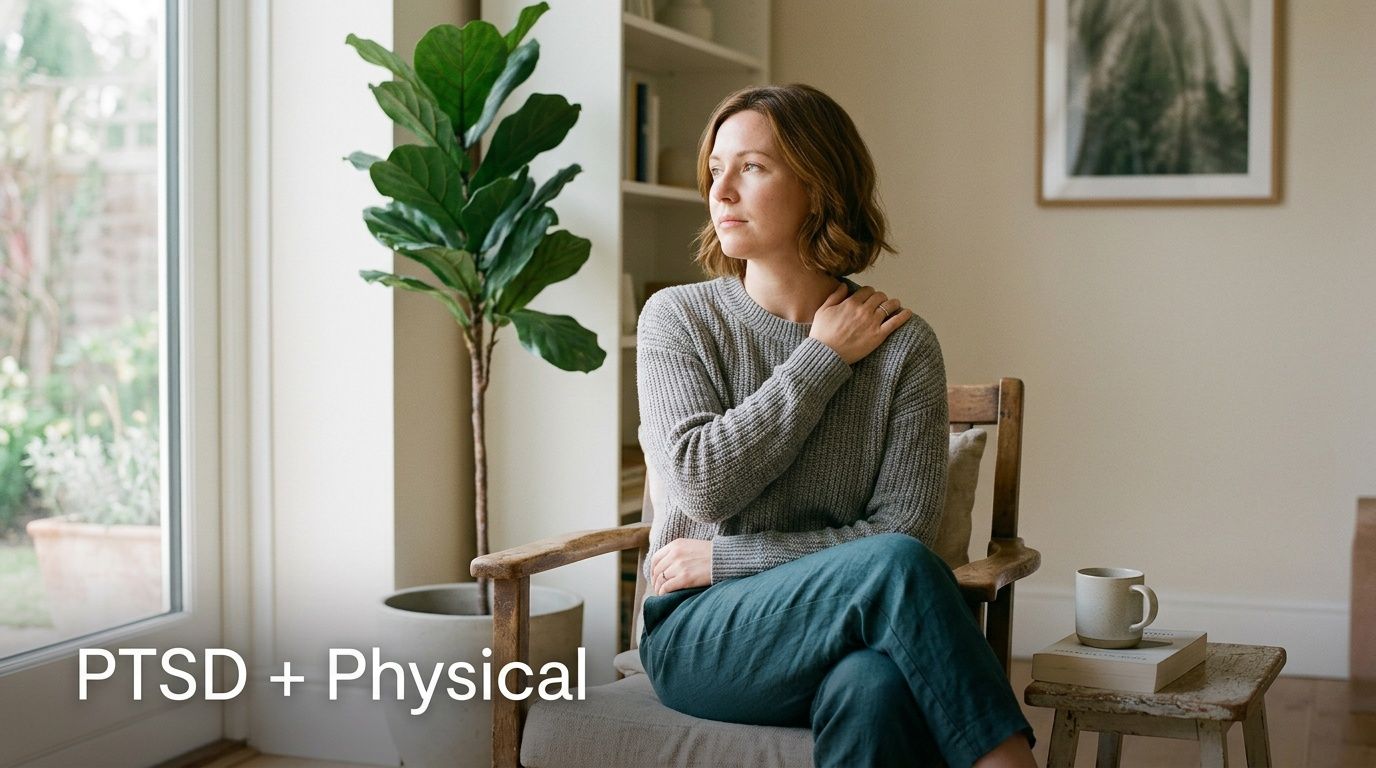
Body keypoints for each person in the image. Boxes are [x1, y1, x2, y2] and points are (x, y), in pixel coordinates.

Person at [634, 83, 1038, 768]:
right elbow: (703, 486)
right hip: (700, 635)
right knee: (896, 571)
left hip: (845, 630)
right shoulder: (677, 319)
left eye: (752, 167)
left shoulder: (905, 347)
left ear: (819, 188)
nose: (721, 190)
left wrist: (728, 558)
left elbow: (900, 533)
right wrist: (821, 359)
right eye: (716, 169)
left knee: (875, 687)